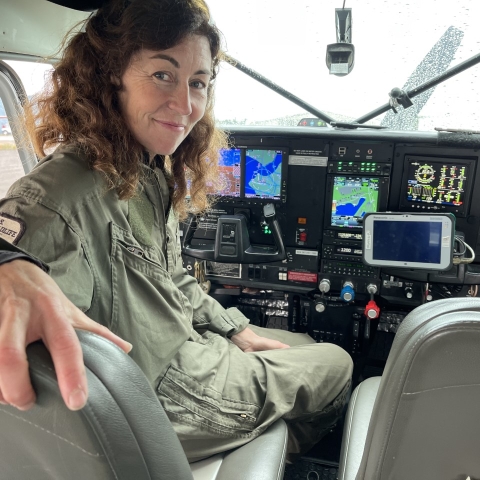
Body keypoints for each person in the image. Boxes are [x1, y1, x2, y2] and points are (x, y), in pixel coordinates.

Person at [0, 0, 352, 462]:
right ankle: (267, 453)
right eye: (162, 75)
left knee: (303, 345)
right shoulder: (63, 192)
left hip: (188, 352)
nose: (185, 105)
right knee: (338, 363)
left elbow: (170, 278)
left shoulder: (143, 171)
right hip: (166, 394)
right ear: (111, 76)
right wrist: (8, 267)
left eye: (198, 83)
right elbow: (18, 258)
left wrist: (233, 329)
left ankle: (260, 435)